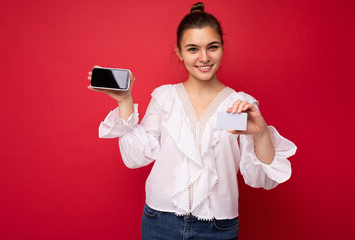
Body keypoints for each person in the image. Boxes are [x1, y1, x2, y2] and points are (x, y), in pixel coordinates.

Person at [87, 2, 296, 239]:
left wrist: (260, 133)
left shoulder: (238, 105)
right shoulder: (165, 98)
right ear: (179, 52)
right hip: (160, 222)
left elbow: (263, 179)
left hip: (218, 228)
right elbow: (135, 157)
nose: (204, 57)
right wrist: (124, 102)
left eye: (212, 47)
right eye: (193, 49)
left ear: (222, 47)